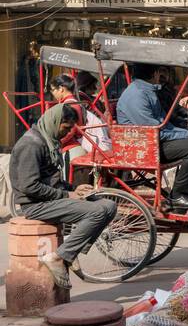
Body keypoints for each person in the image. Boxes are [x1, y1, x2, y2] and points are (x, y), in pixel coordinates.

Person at [8, 101, 118, 287]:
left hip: (50, 198)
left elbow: (52, 179)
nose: (67, 133)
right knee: (97, 211)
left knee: (109, 206)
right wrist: (67, 196)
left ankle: (70, 253)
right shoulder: (32, 145)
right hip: (35, 205)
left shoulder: (48, 140)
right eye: (65, 128)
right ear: (55, 121)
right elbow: (29, 187)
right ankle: (60, 256)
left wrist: (73, 189)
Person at [116, 64, 188, 210]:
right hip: (145, 147)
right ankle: (177, 197)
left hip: (155, 141)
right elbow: (156, 130)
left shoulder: (148, 90)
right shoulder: (138, 95)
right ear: (155, 73)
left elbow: (166, 121)